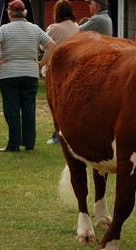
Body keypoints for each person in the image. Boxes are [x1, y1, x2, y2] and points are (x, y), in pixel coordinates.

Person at [0, 0, 56, 152]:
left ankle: (14, 143)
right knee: (29, 108)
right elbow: (51, 45)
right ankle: (29, 143)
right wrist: (41, 62)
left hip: (9, 73)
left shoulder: (4, 29)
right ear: (24, 13)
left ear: (9, 13)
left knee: (12, 109)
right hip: (30, 72)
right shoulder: (35, 28)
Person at [42, 0, 79, 145]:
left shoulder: (54, 28)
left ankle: (58, 134)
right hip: (72, 67)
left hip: (56, 69)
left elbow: (42, 44)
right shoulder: (76, 26)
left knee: (56, 104)